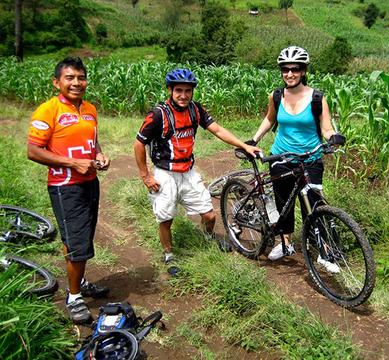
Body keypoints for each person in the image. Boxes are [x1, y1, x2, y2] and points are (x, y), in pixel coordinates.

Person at [133, 68, 259, 263]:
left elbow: (217, 129)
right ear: (170, 90)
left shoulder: (195, 109)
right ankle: (169, 255)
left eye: (188, 91)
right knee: (166, 219)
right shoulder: (158, 115)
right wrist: (146, 176)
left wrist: (244, 146)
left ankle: (208, 237)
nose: (183, 96)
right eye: (179, 91)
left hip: (188, 171)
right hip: (165, 173)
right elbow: (139, 143)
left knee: (210, 216)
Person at [27, 57, 110, 324]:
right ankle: (74, 297)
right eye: (70, 78)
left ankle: (80, 281)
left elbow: (93, 142)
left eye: (81, 77)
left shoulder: (90, 109)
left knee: (80, 238)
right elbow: (33, 151)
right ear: (57, 82)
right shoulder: (47, 111)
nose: (77, 83)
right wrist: (73, 162)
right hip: (65, 187)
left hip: (90, 183)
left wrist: (100, 155)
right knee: (78, 244)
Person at [247, 46, 345, 261]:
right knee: (284, 203)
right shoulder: (276, 96)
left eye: (295, 69)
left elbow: (326, 128)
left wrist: (333, 137)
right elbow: (269, 119)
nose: (289, 74)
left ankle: (323, 248)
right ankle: (285, 243)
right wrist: (254, 139)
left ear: (303, 71)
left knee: (314, 203)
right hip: (280, 158)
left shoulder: (317, 98)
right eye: (285, 69)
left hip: (310, 159)